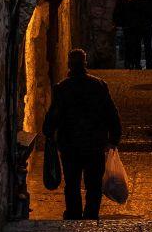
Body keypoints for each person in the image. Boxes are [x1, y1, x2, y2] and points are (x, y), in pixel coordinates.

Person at [43, 49, 122, 219]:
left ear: (69, 65)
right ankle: (91, 214)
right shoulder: (99, 85)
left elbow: (54, 115)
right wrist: (114, 138)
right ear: (85, 63)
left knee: (72, 183)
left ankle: (73, 214)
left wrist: (48, 131)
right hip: (95, 144)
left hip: (70, 145)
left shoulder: (62, 88)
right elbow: (111, 113)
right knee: (94, 184)